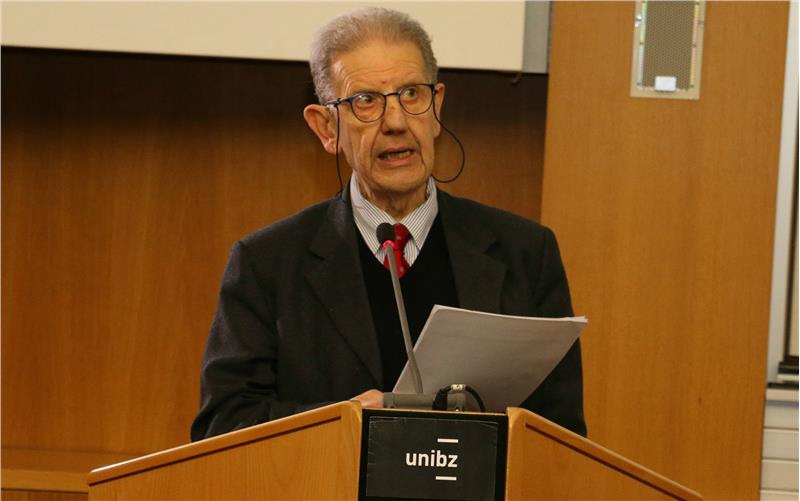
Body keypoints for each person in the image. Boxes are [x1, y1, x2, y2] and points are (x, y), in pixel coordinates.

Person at [190, 7, 585, 441]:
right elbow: (223, 426)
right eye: (365, 101)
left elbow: (559, 437)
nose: (396, 122)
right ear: (326, 128)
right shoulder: (267, 264)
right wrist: (345, 421)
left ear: (436, 107)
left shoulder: (526, 253)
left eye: (411, 94)